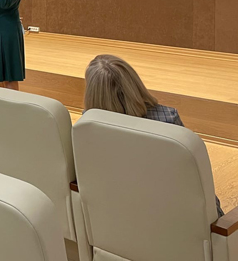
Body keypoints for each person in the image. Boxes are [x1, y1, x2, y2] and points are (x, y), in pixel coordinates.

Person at [84, 54, 223, 217]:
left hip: (115, 216)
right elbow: (193, 179)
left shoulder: (86, 127)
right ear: (134, 83)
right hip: (172, 215)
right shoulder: (168, 120)